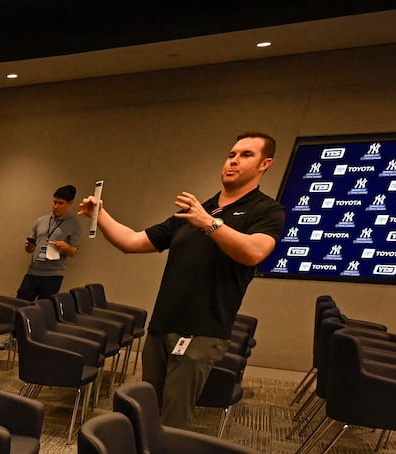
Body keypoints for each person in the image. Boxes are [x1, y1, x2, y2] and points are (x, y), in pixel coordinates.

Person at [79, 131, 284, 429]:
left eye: (245, 155)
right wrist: (100, 214)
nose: (234, 161)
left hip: (202, 332)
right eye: (231, 154)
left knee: (173, 422)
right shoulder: (198, 210)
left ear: (265, 164)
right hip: (163, 326)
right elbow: (133, 241)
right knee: (146, 411)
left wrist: (210, 224)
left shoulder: (265, 210)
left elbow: (254, 252)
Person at [17, 184, 81, 300]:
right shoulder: (41, 221)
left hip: (53, 275)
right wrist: (29, 247)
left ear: (69, 203)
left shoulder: (73, 224)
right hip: (33, 271)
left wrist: (66, 247)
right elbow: (30, 247)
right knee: (21, 302)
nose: (56, 206)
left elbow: (73, 252)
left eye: (60, 203)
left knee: (43, 308)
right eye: (54, 202)